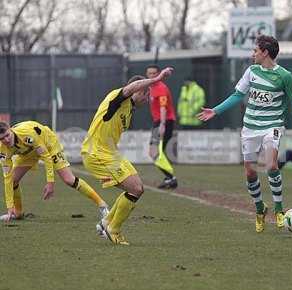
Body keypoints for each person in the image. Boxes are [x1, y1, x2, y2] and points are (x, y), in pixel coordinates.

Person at [197, 35, 292, 233]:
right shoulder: (251, 71)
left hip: (273, 126)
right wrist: (215, 110)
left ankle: (279, 209)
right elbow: (238, 95)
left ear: (265, 52)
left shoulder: (285, 76)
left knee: (271, 165)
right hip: (250, 128)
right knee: (250, 172)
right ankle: (260, 209)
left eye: (255, 51)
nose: (253, 54)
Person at [81, 67, 173, 245]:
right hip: (96, 153)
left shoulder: (130, 110)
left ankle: (106, 222)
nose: (147, 100)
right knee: (136, 189)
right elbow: (131, 87)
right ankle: (113, 229)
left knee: (136, 188)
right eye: (146, 95)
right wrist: (157, 79)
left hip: (110, 154)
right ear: (139, 91)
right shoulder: (118, 98)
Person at [0, 120, 109, 222]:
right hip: (28, 153)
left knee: (69, 180)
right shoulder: (2, 150)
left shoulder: (28, 134)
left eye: (7, 135)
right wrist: (9, 206)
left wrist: (50, 183)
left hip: (49, 145)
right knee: (13, 180)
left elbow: (46, 156)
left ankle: (102, 205)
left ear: (10, 129)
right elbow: (7, 177)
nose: (6, 140)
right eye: (2, 139)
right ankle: (17, 213)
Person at [146, 65, 178, 189]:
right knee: (155, 152)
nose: (152, 76)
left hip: (164, 122)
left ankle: (170, 178)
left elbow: (163, 107)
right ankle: (169, 178)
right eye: (150, 73)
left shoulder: (161, 88)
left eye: (154, 73)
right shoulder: (151, 86)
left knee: (154, 152)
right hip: (158, 122)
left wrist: (162, 125)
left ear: (158, 74)